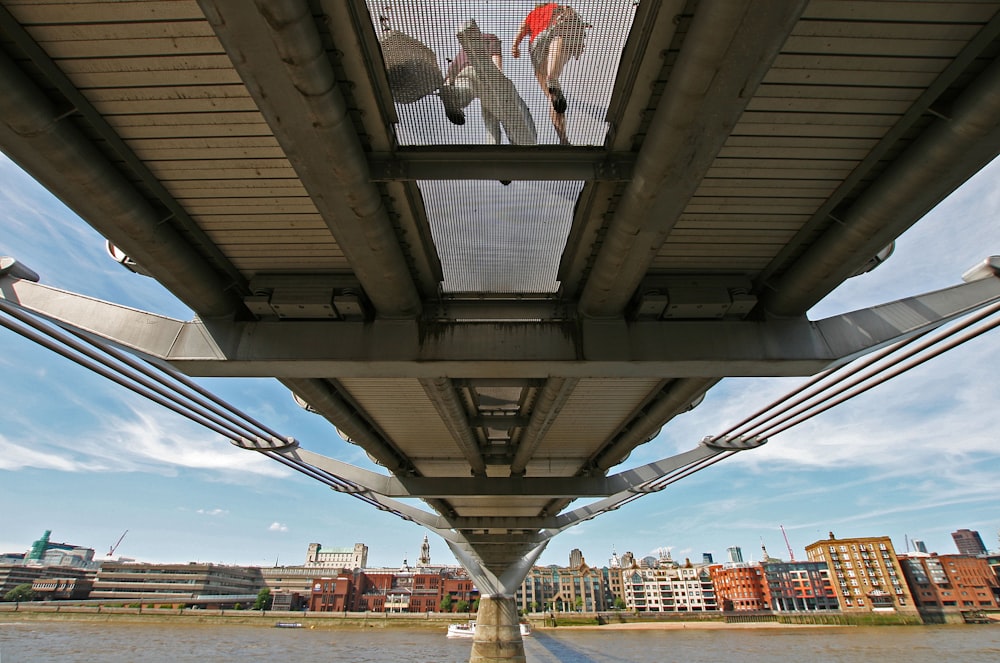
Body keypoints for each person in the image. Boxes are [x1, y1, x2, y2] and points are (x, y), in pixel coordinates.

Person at [440, 20, 537, 146]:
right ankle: (500, 144)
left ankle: (454, 95)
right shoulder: (490, 38)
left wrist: (447, 86)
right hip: (486, 75)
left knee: (466, 93)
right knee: (503, 117)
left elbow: (449, 76)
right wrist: (497, 78)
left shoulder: (460, 54)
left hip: (464, 76)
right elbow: (496, 61)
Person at [512, 3, 588, 144]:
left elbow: (522, 29)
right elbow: (570, 14)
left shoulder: (532, 14)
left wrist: (515, 46)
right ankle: (552, 78)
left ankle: (563, 138)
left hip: (537, 46)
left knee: (551, 98)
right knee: (558, 42)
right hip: (556, 33)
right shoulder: (556, 6)